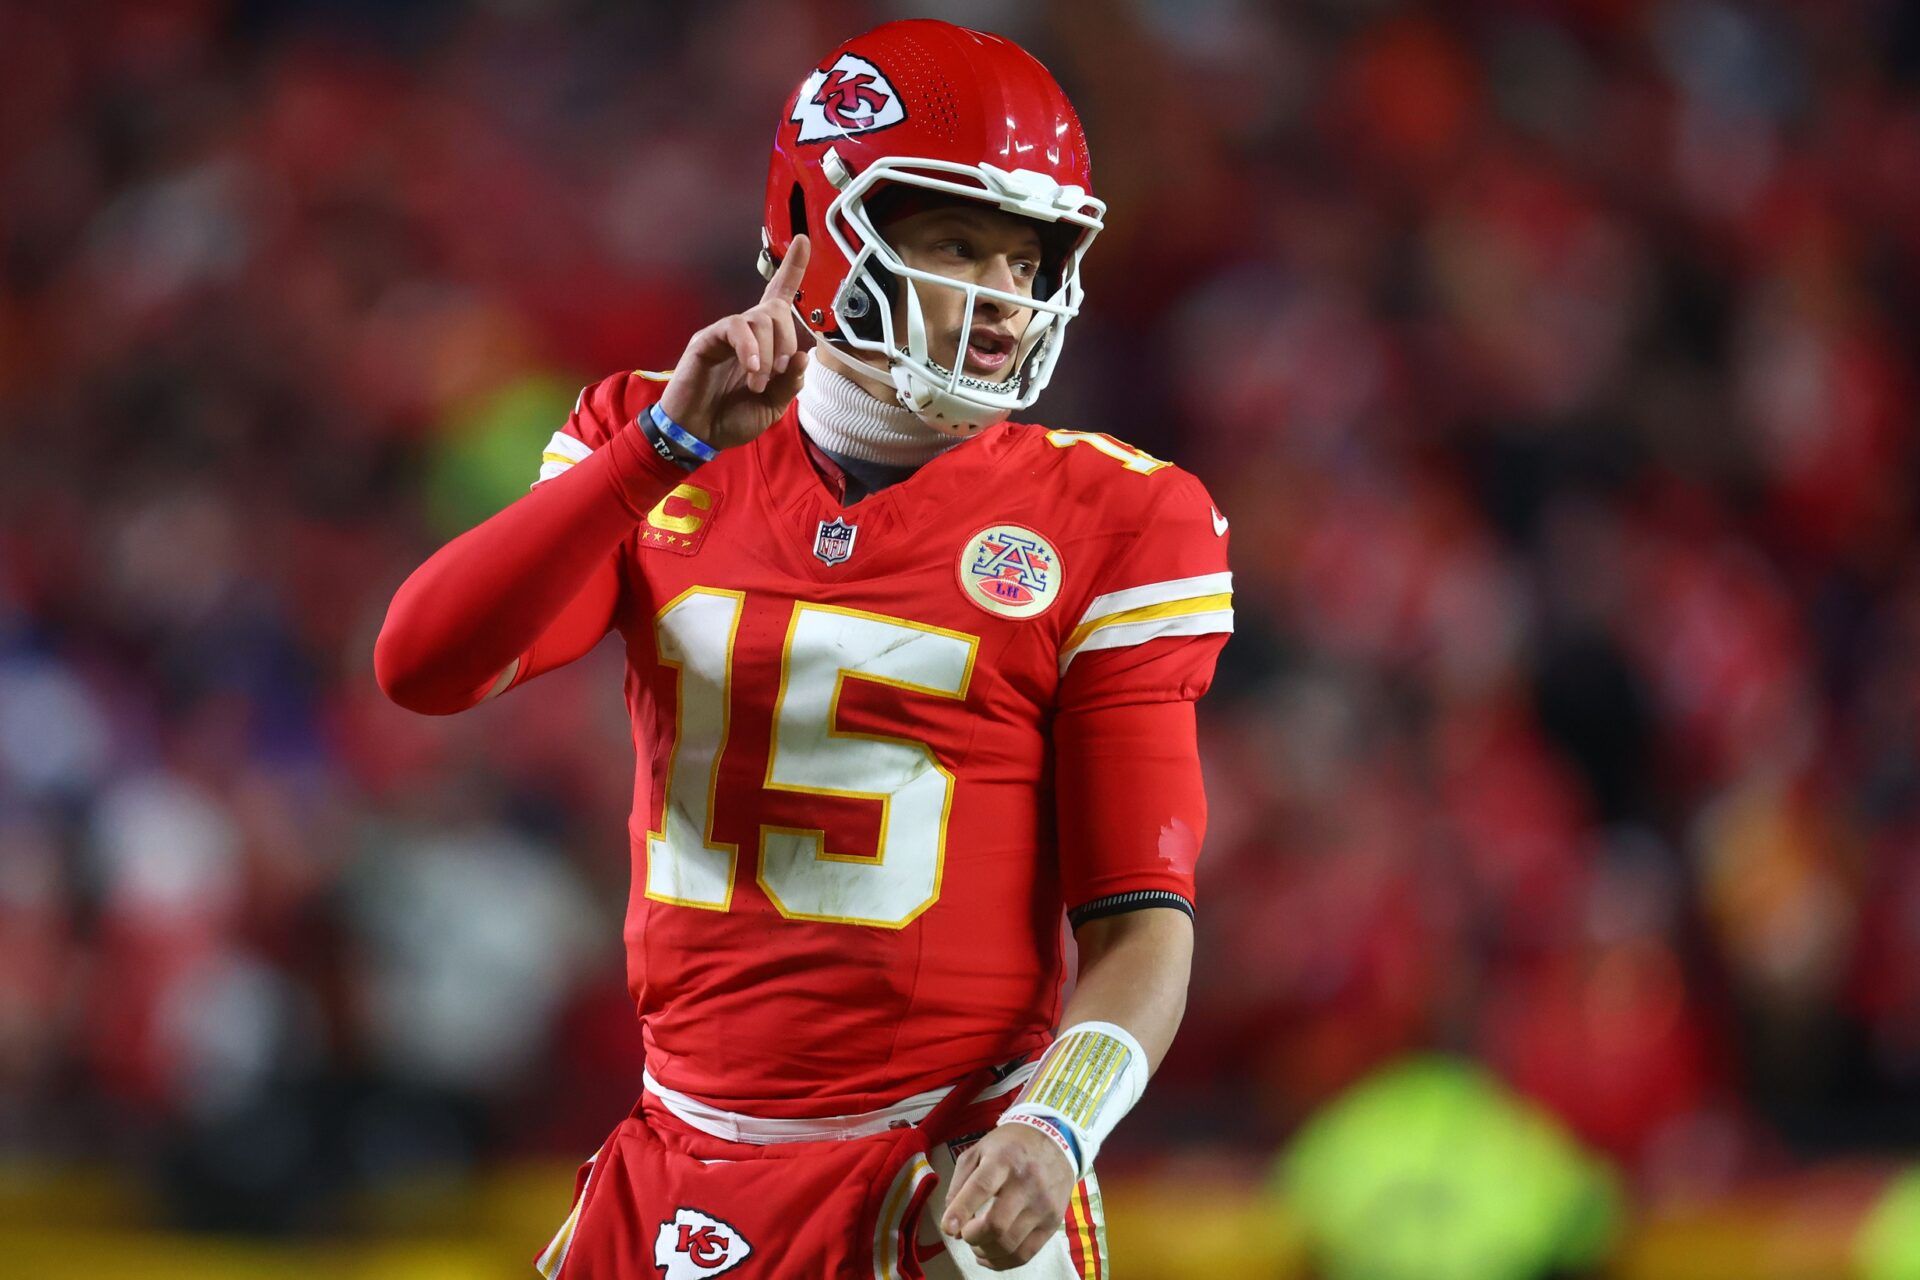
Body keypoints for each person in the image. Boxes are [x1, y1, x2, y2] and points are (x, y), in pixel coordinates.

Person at [375, 18, 1231, 1278]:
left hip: (943, 1161)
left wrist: (1060, 1121)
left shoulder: (1115, 515)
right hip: (677, 1144)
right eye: (955, 242)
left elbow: (1143, 917)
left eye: (1026, 252)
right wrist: (659, 448)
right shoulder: (653, 441)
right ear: (820, 225)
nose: (1004, 294)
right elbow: (423, 666)